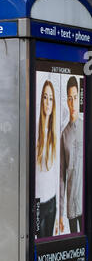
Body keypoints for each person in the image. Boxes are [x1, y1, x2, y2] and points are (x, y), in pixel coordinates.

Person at [60, 76, 83, 234]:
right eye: (70, 98)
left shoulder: (86, 128)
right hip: (71, 207)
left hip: (85, 202)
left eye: (75, 97)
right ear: (67, 101)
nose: (73, 102)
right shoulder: (63, 135)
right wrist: (61, 212)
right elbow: (61, 176)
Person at [36, 80, 58, 238]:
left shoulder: (54, 133)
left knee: (49, 248)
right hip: (38, 203)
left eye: (51, 98)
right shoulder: (35, 132)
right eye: (45, 97)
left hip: (52, 201)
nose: (48, 102)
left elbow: (56, 172)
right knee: (39, 250)